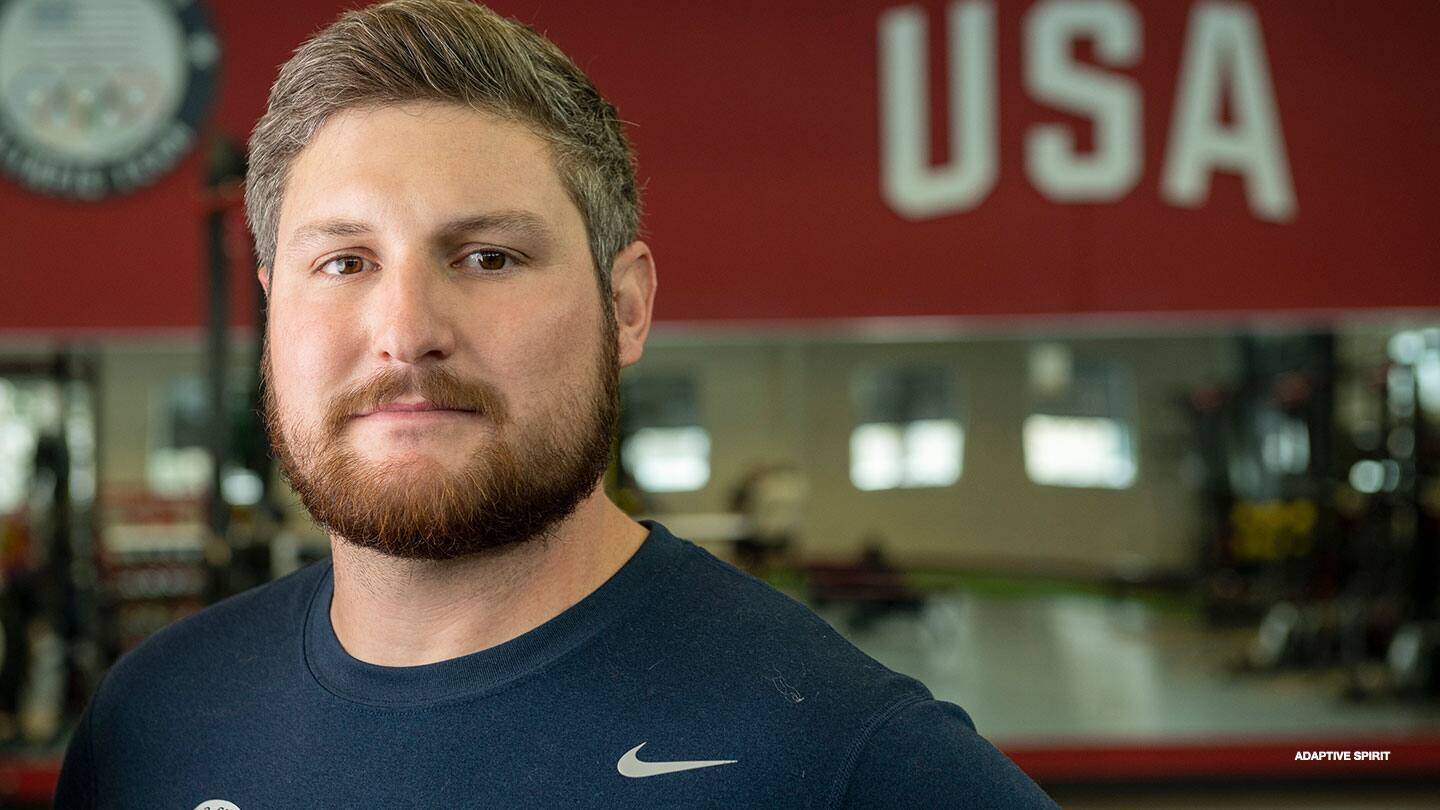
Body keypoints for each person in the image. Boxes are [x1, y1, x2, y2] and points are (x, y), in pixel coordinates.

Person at [55, 1, 1058, 806]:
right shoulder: (154, 723)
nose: (406, 330)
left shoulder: (843, 760)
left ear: (626, 308)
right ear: (274, 310)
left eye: (487, 256)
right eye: (345, 261)